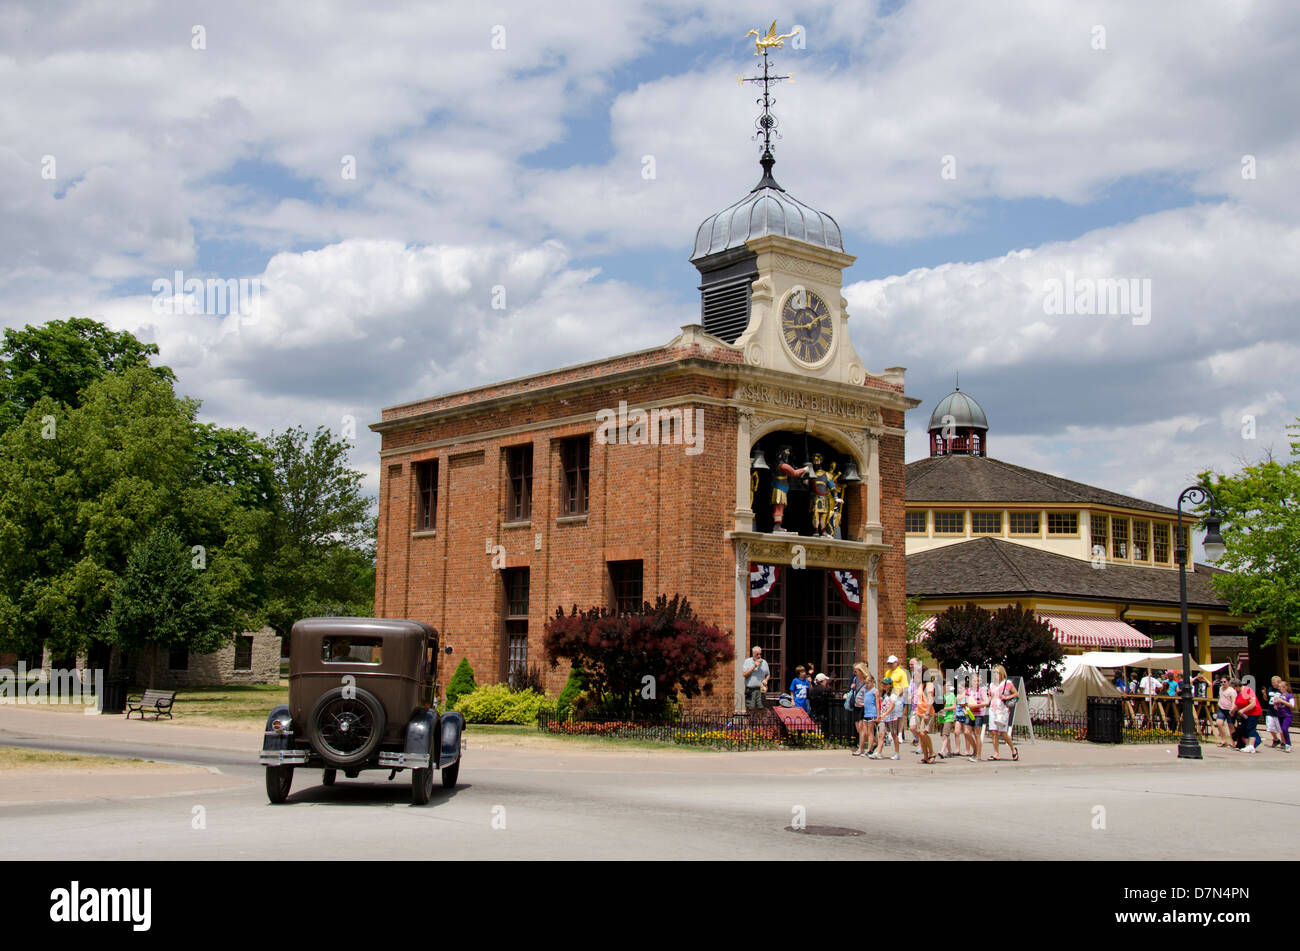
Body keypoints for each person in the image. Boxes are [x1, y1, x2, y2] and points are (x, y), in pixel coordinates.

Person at [987, 665, 1019, 761]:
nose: (995, 675)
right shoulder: (992, 685)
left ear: (1001, 673)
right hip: (993, 709)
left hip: (1002, 710)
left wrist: (1007, 697)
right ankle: (996, 753)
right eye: (994, 673)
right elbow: (990, 696)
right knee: (993, 732)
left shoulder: (1007, 683)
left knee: (1003, 732)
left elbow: (1016, 694)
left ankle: (1013, 749)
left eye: (997, 673)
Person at [869, 677, 902, 759]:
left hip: (891, 718)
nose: (883, 685)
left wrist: (885, 714)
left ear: (889, 685)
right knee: (881, 734)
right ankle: (878, 752)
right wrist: (880, 715)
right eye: (883, 684)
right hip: (884, 719)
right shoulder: (883, 695)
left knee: (894, 734)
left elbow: (891, 706)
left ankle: (897, 753)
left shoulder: (893, 695)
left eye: (885, 684)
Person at [1233, 678, 1262, 752]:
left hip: (1254, 712)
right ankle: (1247, 745)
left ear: (1237, 686)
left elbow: (1253, 704)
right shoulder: (1238, 692)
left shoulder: (1246, 690)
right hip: (1245, 714)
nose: (1233, 689)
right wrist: (1233, 710)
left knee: (1250, 727)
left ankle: (1251, 746)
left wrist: (1243, 710)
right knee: (1243, 728)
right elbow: (1238, 703)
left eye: (1234, 687)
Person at [854, 673, 879, 756]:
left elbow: (877, 703)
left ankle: (869, 749)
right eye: (866, 683)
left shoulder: (875, 691)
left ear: (872, 682)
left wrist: (878, 715)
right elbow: (866, 702)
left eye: (868, 683)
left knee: (870, 732)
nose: (867, 685)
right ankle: (872, 746)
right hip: (866, 713)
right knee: (866, 732)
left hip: (872, 713)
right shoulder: (866, 691)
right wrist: (861, 704)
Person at [966, 674, 988, 762]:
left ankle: (978, 755)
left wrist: (977, 705)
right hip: (970, 713)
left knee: (977, 734)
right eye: (975, 681)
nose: (977, 683)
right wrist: (968, 707)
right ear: (971, 681)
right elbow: (967, 702)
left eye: (978, 681)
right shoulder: (968, 691)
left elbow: (986, 702)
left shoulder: (981, 690)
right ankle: (975, 748)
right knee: (967, 732)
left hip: (979, 714)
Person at [914, 677, 937, 764]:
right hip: (919, 712)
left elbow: (931, 699)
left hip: (927, 712)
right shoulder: (920, 685)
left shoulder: (929, 685)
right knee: (921, 735)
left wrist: (927, 713)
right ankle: (925, 757)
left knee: (923, 733)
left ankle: (932, 753)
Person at [937, 680, 958, 759]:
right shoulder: (940, 696)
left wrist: (945, 708)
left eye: (950, 685)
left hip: (949, 717)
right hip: (941, 717)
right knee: (944, 735)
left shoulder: (952, 695)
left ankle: (942, 751)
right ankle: (949, 751)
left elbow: (954, 707)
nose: (949, 687)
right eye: (947, 685)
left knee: (945, 735)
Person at [1272, 681, 1295, 753]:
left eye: (1281, 687)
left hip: (1287, 716)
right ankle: (1285, 744)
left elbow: (1292, 705)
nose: (1279, 688)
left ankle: (1288, 744)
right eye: (1279, 687)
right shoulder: (1280, 695)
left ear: (1285, 687)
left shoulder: (1289, 696)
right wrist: (1276, 704)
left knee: (1285, 729)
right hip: (1280, 715)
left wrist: (1282, 701)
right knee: (1282, 730)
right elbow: (1277, 705)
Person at [1215, 677, 1237, 747]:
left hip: (1229, 709)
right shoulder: (1221, 689)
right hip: (1222, 709)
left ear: (1228, 682)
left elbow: (1234, 701)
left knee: (1231, 726)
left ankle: (1234, 742)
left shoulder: (1232, 691)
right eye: (1221, 682)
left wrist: (1232, 709)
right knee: (1219, 723)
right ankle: (1223, 740)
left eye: (1224, 682)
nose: (1223, 683)